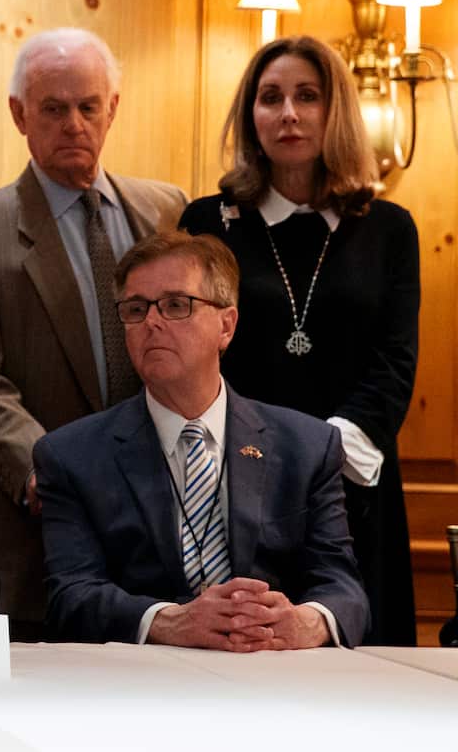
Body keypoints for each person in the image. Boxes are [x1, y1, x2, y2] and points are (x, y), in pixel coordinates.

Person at [0, 28, 186, 639]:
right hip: (37, 536)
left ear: (112, 109)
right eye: (53, 108)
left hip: (167, 535)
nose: (74, 124)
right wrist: (51, 473)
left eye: (88, 106)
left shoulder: (170, 211)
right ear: (19, 114)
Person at [180, 36, 419, 646]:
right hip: (237, 481)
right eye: (271, 98)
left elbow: (395, 360)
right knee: (244, 651)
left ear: (335, 111)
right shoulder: (208, 223)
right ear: (250, 115)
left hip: (355, 480)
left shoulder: (389, 228)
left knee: (359, 661)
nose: (288, 113)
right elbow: (193, 354)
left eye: (307, 96)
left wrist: (323, 458)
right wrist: (266, 460)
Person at [34, 231, 369, 648]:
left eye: (176, 305)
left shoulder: (308, 446)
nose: (151, 322)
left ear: (226, 325)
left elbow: (344, 588)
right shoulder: (71, 456)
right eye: (136, 309)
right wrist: (170, 621)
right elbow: (71, 597)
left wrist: (304, 622)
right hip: (142, 675)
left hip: (271, 668)